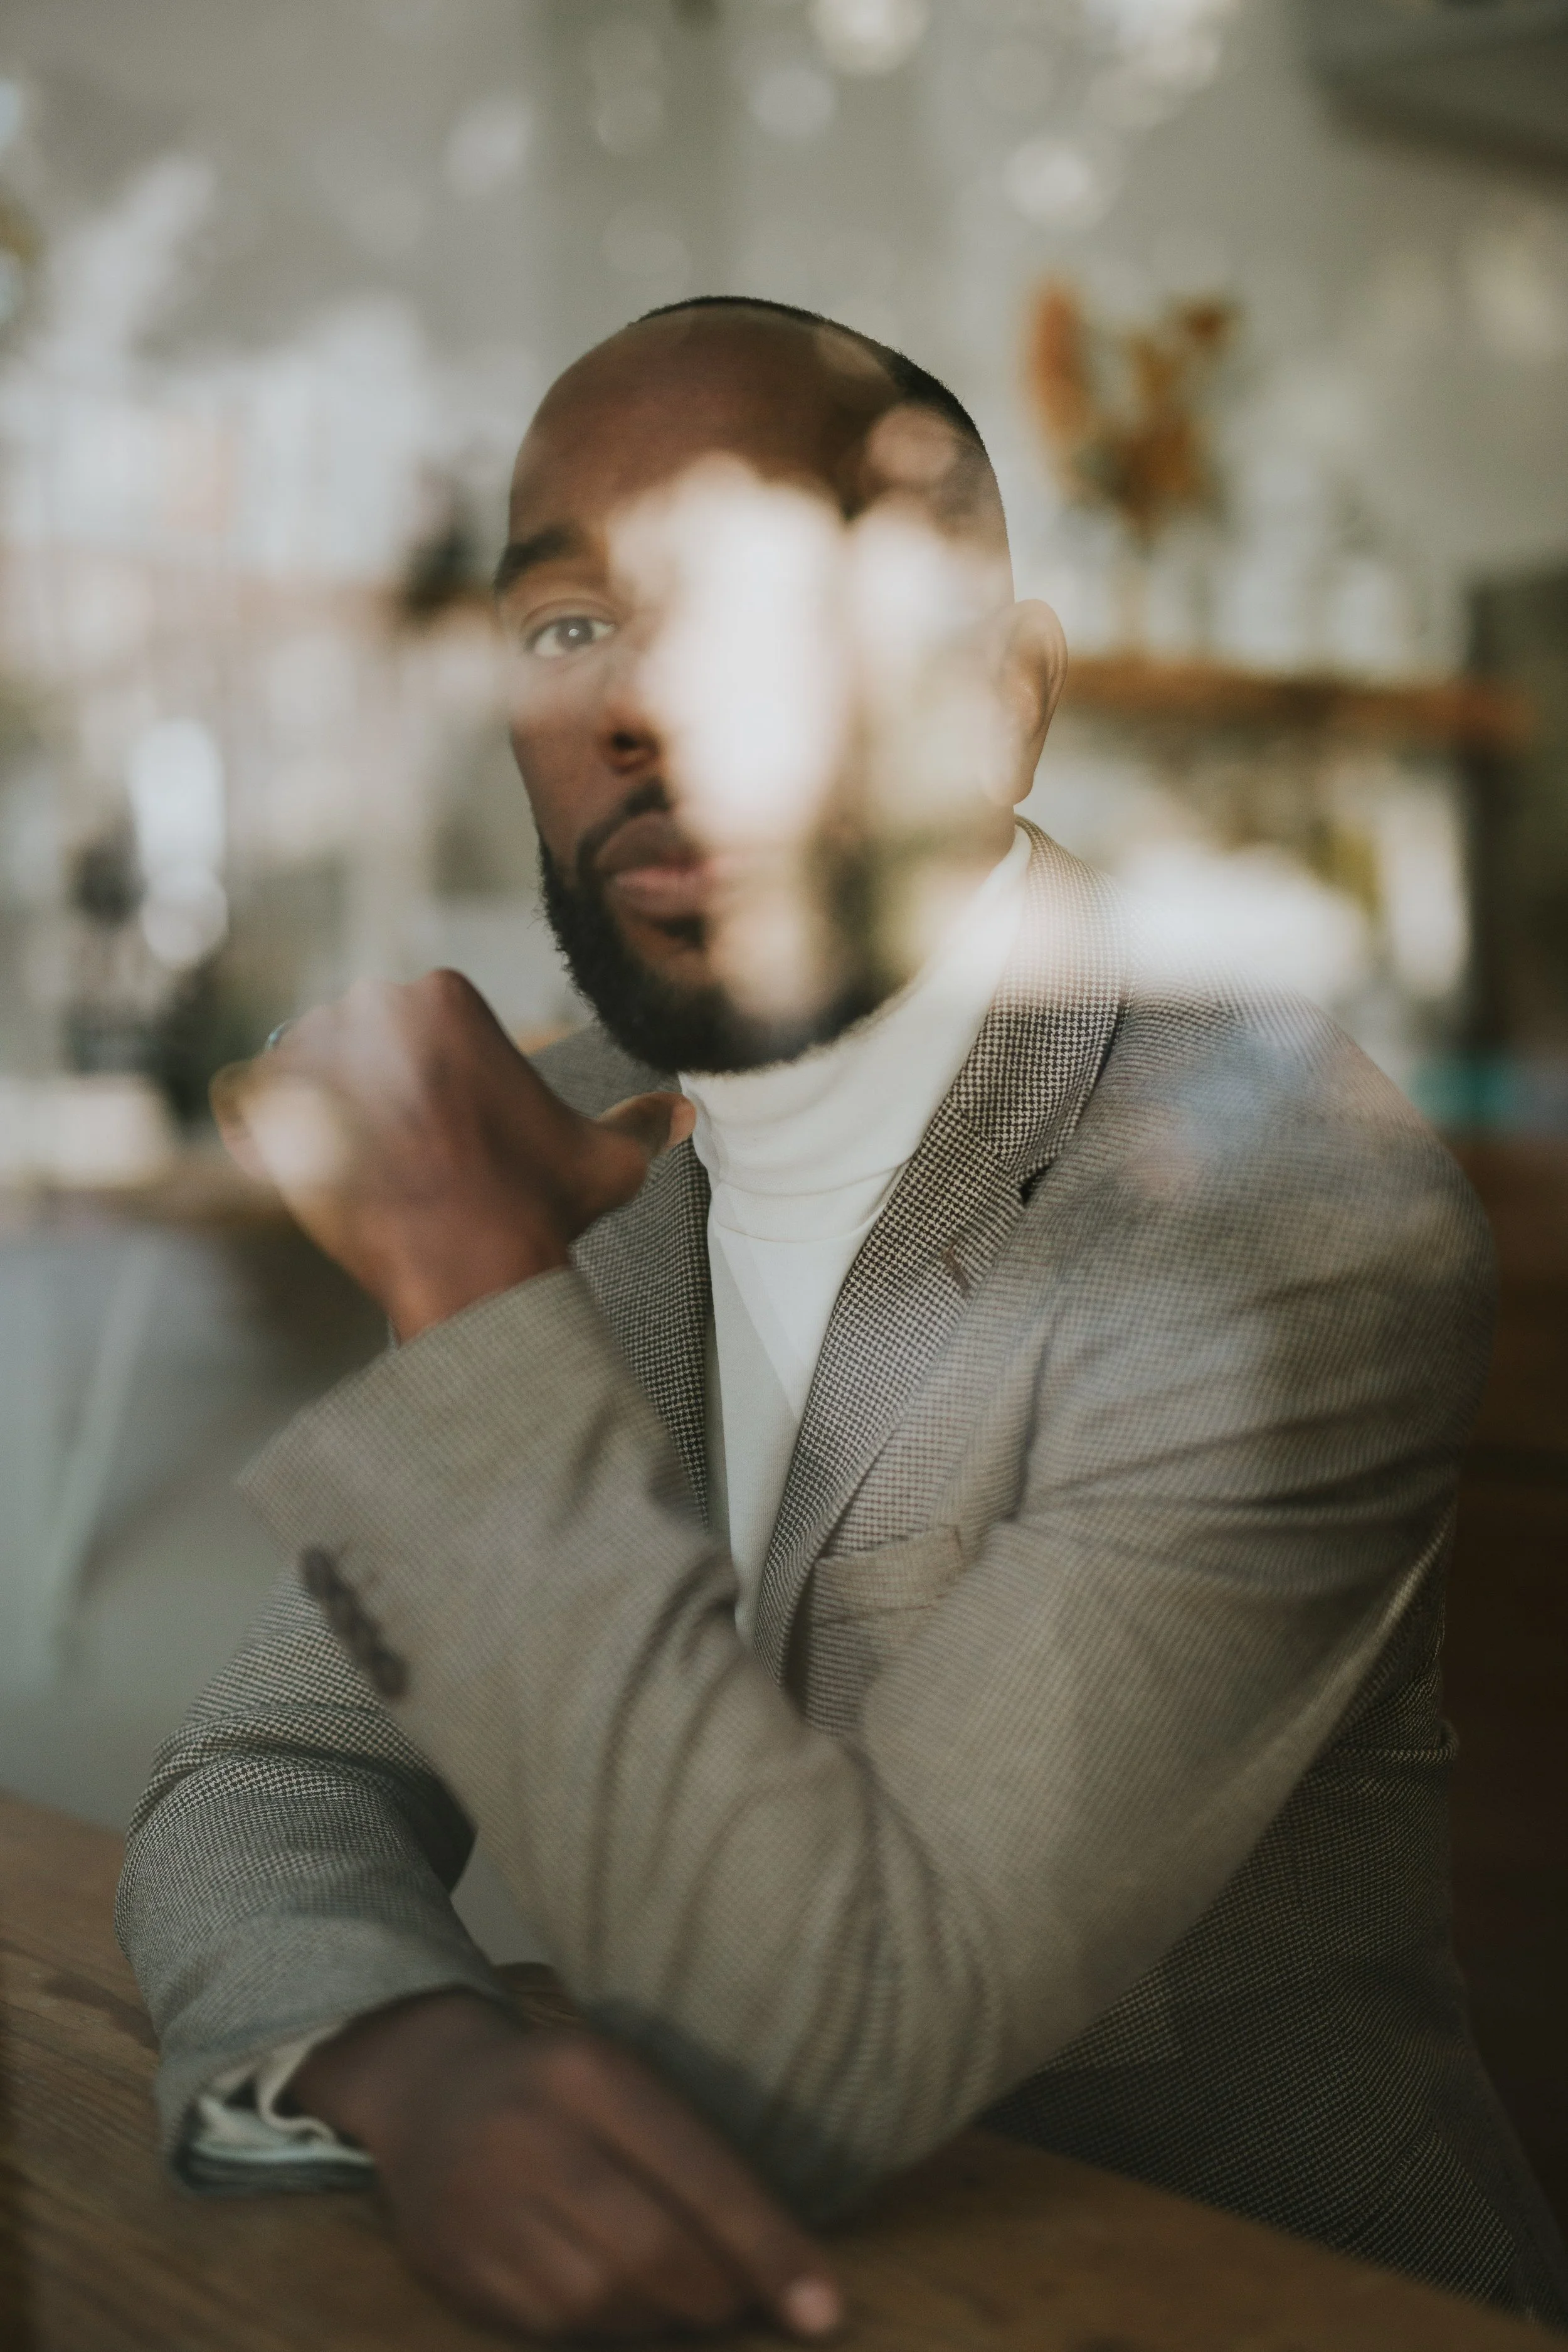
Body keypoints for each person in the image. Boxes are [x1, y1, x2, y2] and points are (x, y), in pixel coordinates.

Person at [118, 299, 1568, 2341]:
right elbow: (269, 1775)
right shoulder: (618, 1178)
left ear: (997, 707)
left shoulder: (1280, 1215)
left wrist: (459, 1278)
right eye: (565, 632)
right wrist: (404, 2059)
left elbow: (825, 2040)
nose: (638, 713)